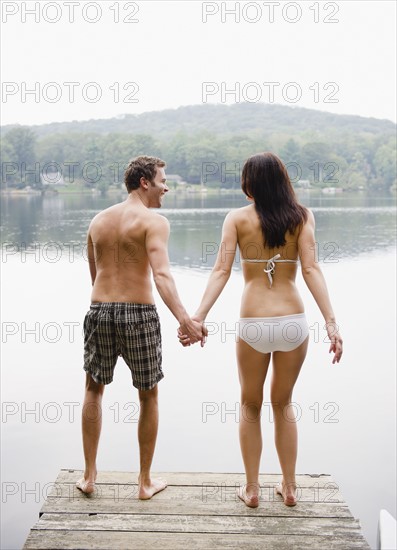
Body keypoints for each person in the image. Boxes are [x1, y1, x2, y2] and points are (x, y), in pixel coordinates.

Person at [178, 152, 343, 508]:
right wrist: (331, 322)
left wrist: (198, 317)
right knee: (283, 404)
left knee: (250, 405)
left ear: (249, 184)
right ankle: (290, 487)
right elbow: (312, 270)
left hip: (253, 323)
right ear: (283, 181)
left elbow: (221, 271)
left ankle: (252, 489)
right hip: (292, 322)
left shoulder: (237, 218)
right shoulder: (302, 217)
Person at [77, 155, 205, 499]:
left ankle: (89, 477)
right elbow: (162, 275)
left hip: (99, 310)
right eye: (163, 180)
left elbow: (95, 275)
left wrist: (105, 306)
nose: (166, 187)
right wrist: (186, 320)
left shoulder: (98, 221)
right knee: (148, 395)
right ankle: (144, 483)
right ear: (145, 182)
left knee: (93, 389)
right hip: (139, 315)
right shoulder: (154, 222)